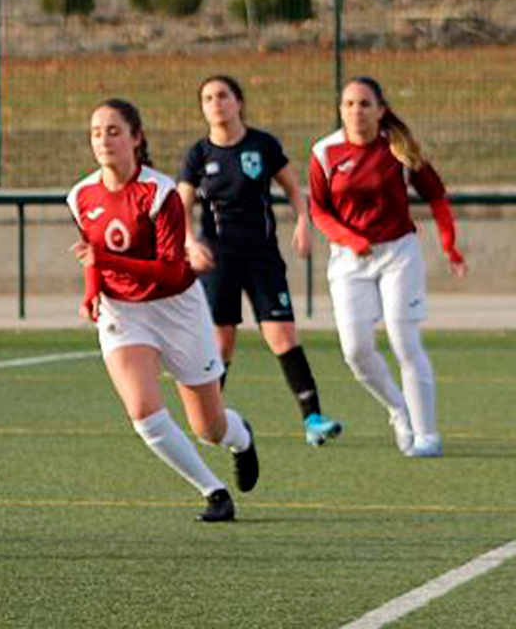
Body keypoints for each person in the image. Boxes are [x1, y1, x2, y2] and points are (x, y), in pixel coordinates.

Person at [67, 98, 260, 523]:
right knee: (143, 411)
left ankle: (241, 438)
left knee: (209, 429)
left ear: (137, 138)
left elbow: (173, 271)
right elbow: (91, 257)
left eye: (114, 131)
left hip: (177, 308)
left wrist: (105, 263)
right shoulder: (80, 195)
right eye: (96, 132)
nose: (104, 140)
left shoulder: (160, 193)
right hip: (124, 313)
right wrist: (91, 292)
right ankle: (214, 492)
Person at [177, 75, 343, 447]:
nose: (216, 103)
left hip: (263, 256)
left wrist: (303, 221)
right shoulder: (198, 155)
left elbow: (293, 190)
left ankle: (313, 418)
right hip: (218, 260)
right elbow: (180, 206)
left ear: (238, 102)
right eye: (207, 98)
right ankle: (210, 422)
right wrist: (190, 243)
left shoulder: (262, 145)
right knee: (222, 343)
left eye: (222, 96)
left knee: (282, 335)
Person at [309, 76, 466, 458]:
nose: (356, 111)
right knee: (356, 349)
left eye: (364, 104)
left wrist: (449, 243)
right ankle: (399, 411)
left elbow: (437, 197)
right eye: (348, 104)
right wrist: (350, 239)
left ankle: (426, 433)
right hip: (349, 260)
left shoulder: (399, 149)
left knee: (403, 340)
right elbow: (318, 210)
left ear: (380, 110)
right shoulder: (325, 152)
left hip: (399, 253)